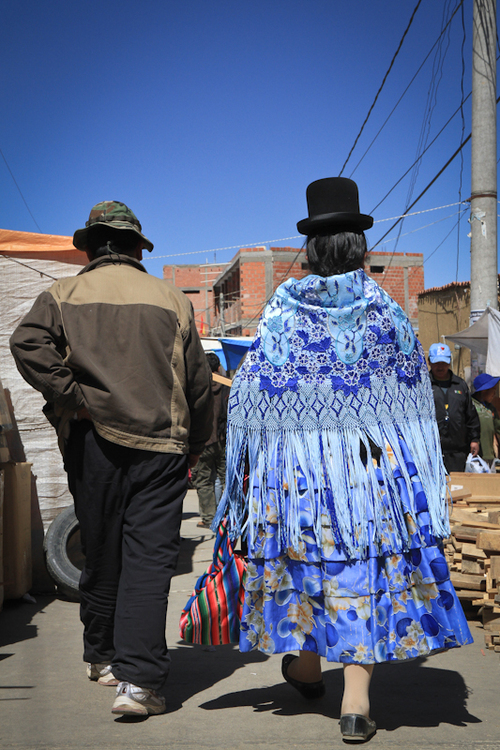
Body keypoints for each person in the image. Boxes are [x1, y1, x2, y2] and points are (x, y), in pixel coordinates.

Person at [214, 178, 473, 742]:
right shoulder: (388, 313)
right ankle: (355, 703)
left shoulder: (282, 314)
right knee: (365, 569)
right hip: (373, 472)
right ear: (360, 247)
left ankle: (306, 668)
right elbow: (411, 400)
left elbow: (253, 392)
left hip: (301, 475)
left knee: (311, 562)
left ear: (312, 249)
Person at [10, 201, 213, 717]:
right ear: (134, 248)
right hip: (161, 448)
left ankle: (101, 658)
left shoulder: (63, 293)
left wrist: (71, 397)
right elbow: (197, 384)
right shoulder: (171, 298)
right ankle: (139, 683)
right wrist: (197, 444)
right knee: (147, 563)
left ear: (93, 246)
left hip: (91, 442)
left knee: (101, 553)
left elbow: (26, 342)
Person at [428, 343, 480, 472]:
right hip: (433, 451)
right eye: (436, 363)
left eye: (443, 363)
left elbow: (471, 415)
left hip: (458, 453)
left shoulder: (460, 385)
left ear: (449, 362)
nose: (440, 367)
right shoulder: (424, 385)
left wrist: (474, 439)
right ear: (429, 362)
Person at [192, 352, 229, 529]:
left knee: (204, 481)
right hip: (224, 439)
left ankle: (208, 518)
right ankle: (229, 514)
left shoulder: (198, 385)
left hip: (203, 440)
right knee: (226, 479)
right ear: (218, 366)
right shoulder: (228, 384)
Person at [472, 372, 500, 465]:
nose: (494, 394)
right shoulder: (471, 404)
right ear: (484, 390)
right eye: (493, 390)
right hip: (476, 455)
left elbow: (498, 427)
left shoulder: (491, 408)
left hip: (489, 456)